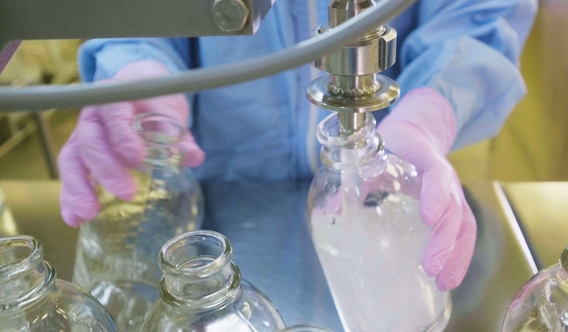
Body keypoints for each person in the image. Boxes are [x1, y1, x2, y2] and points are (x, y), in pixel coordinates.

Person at [57, 0, 537, 292]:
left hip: (380, 191)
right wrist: (139, 71)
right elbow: (140, 8)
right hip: (224, 186)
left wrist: (428, 115)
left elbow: (477, 14)